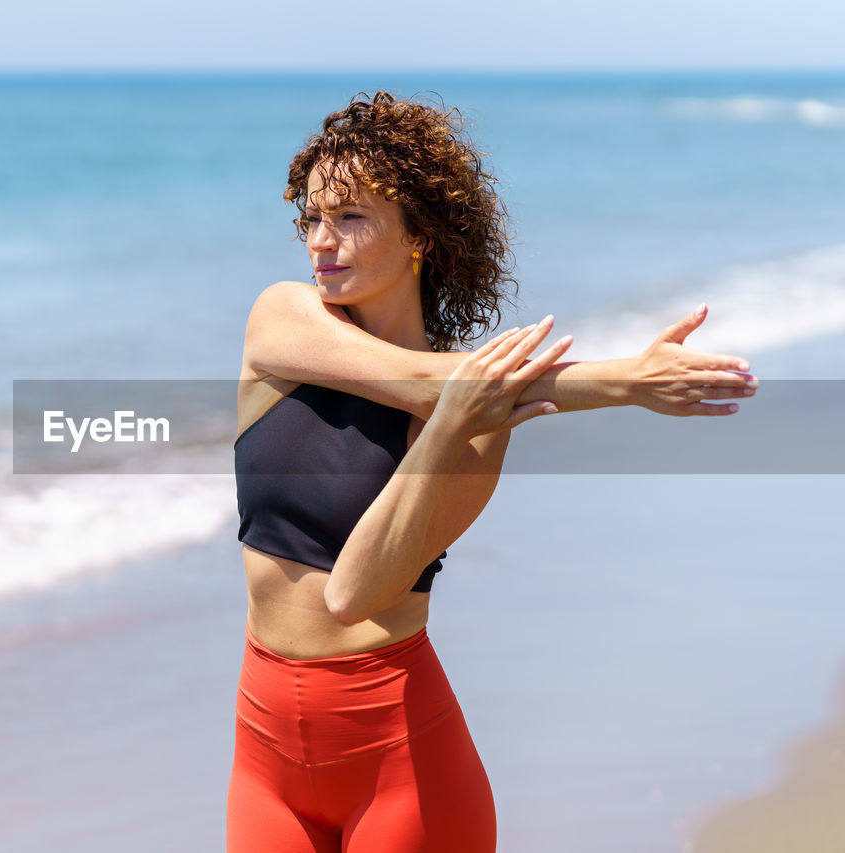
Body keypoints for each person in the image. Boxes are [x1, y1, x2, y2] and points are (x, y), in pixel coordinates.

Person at [227, 91, 758, 853]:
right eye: (310, 218)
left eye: (349, 217)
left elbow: (354, 593)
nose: (321, 241)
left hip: (401, 764)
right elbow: (414, 380)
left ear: (420, 236)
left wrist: (445, 432)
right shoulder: (281, 319)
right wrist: (624, 379)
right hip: (263, 757)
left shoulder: (475, 436)